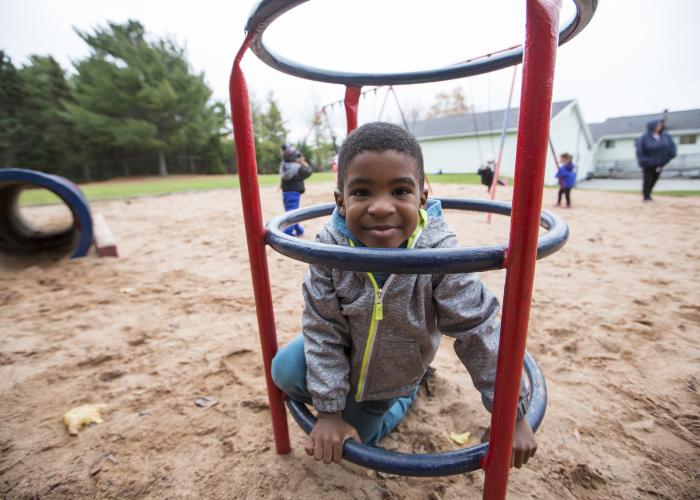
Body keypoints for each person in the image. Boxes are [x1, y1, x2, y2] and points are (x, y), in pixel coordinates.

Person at [271, 122, 537, 468]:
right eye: (362, 193)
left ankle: (406, 395)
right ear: (340, 202)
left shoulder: (439, 253)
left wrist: (510, 415)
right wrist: (328, 410)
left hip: (393, 371)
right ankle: (339, 388)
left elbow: (479, 330)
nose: (381, 207)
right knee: (284, 371)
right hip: (348, 346)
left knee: (362, 438)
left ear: (422, 198)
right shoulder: (329, 251)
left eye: (399, 191)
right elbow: (323, 327)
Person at [636, 119, 676, 202]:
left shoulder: (665, 136)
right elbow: (640, 150)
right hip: (648, 164)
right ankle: (646, 196)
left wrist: (667, 158)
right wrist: (644, 161)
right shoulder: (644, 137)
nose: (659, 126)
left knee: (654, 179)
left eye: (660, 125)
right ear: (652, 126)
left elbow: (672, 147)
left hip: (661, 163)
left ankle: (649, 194)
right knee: (647, 179)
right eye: (658, 125)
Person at [280, 144, 312, 236]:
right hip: (294, 193)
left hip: (285, 192)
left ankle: (298, 229)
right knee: (292, 213)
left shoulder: (283, 165)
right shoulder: (298, 168)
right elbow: (309, 171)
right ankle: (288, 233)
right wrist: (303, 162)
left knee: (290, 211)